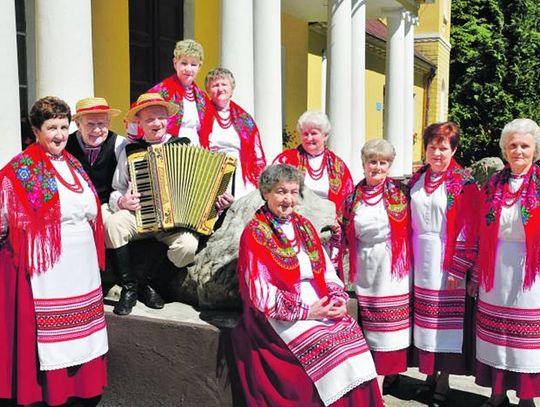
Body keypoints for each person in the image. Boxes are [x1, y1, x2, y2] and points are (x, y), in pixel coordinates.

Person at [232, 164, 383, 407]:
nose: (288, 199)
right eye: (281, 191)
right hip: (279, 311)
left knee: (352, 339)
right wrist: (308, 311)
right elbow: (260, 293)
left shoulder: (303, 226)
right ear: (266, 193)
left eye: (293, 192)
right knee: (326, 344)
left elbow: (326, 270)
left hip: (317, 298)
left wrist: (337, 300)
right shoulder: (254, 233)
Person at [0, 96, 108, 406]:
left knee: (81, 333)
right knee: (52, 341)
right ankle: (50, 392)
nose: (59, 134)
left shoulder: (72, 164)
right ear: (36, 129)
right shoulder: (22, 169)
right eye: (51, 127)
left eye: (63, 126)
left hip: (81, 268)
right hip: (49, 270)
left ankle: (80, 388)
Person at [408, 121, 479, 406]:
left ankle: (444, 380)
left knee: (446, 324)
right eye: (432, 147)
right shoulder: (417, 178)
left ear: (454, 149)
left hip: (446, 258)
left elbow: (470, 226)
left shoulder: (464, 183)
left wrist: (459, 266)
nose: (437, 153)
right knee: (426, 322)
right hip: (420, 256)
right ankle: (428, 375)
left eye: (443, 148)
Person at [474, 119, 540, 407]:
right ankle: (497, 392)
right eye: (513, 145)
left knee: (526, 336)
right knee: (496, 331)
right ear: (504, 149)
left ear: (535, 149)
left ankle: (526, 397)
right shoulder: (493, 185)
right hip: (496, 266)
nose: (519, 151)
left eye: (524, 145)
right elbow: (479, 227)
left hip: (532, 269)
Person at [340, 139, 412, 395]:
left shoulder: (400, 194)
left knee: (390, 327)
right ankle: (376, 374)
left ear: (389, 165)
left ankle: (383, 378)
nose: (377, 167)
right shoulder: (353, 197)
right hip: (365, 263)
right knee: (369, 323)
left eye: (383, 162)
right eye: (373, 162)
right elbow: (344, 229)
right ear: (363, 164)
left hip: (392, 265)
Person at [66, 97, 128, 295]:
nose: (96, 130)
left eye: (101, 124)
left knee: (105, 224)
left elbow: (125, 182)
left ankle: (107, 279)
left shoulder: (120, 145)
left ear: (109, 123)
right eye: (90, 124)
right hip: (75, 205)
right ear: (77, 124)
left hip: (106, 204)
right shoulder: (66, 145)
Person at [202, 67, 266, 200]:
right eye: (215, 85)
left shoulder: (245, 119)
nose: (220, 89)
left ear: (232, 89)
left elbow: (256, 153)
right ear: (208, 91)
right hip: (210, 176)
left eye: (224, 84)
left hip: (240, 180)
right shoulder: (201, 115)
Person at [129, 39, 212, 142]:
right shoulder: (160, 91)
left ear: (199, 67)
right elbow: (135, 115)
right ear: (175, 63)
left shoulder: (202, 97)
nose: (188, 69)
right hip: (168, 151)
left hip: (195, 153)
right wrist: (136, 144)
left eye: (194, 64)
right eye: (184, 63)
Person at [273, 111, 353, 208]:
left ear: (325, 136)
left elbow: (348, 198)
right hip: (293, 216)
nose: (309, 138)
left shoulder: (338, 165)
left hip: (327, 219)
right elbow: (272, 187)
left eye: (314, 133)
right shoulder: (286, 159)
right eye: (305, 134)